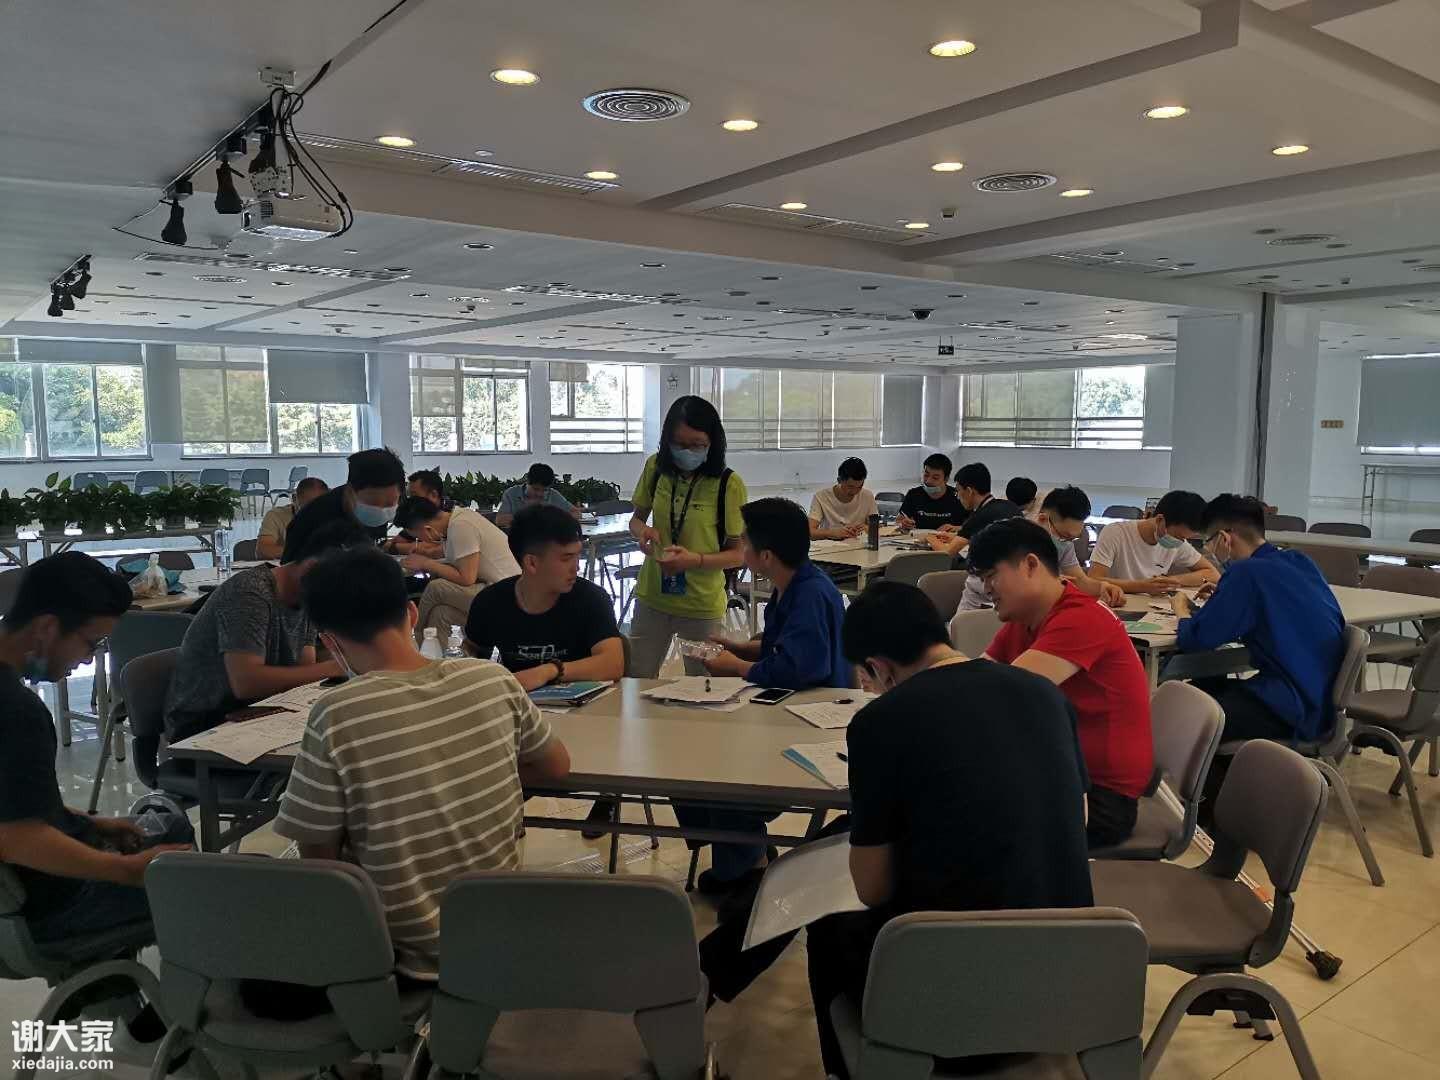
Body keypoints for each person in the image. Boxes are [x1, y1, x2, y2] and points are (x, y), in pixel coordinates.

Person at [697, 581, 1093, 1077]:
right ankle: (712, 968)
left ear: (879, 667)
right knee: (837, 838)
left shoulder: (883, 721)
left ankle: (848, 1065)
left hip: (945, 1000)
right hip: (1066, 979)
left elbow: (872, 888)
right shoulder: (1043, 693)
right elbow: (1077, 820)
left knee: (827, 907)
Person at [275, 547, 571, 985]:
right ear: (412, 614)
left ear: (331, 642)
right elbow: (557, 768)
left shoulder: (337, 714)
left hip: (397, 957)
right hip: (494, 935)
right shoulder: (492, 680)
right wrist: (466, 770)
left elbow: (320, 860)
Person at [0, 553, 193, 1040]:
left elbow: (13, 800)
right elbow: (18, 838)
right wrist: (125, 871)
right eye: (89, 643)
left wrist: (89, 824)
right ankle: (208, 1022)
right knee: (197, 874)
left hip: (18, 900)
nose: (88, 660)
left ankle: (111, 992)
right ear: (47, 628)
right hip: (48, 908)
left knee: (156, 823)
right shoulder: (17, 713)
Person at [684, 498, 850, 893]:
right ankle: (744, 856)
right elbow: (783, 646)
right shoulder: (793, 583)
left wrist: (736, 667)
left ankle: (747, 869)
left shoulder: (809, 594)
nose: (740, 547)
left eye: (745, 541)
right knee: (698, 763)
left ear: (766, 555)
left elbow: (799, 669)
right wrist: (741, 648)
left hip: (811, 722)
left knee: (721, 780)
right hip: (791, 709)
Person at [970, 518, 1154, 848]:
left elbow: (998, 697)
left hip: (1100, 798)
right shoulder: (1026, 618)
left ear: (1030, 565)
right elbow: (976, 681)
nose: (986, 589)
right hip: (1056, 772)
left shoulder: (1081, 619)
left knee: (957, 820)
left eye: (991, 576)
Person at [1171, 494, 1345, 806]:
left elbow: (1196, 640)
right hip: (1317, 698)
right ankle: (1223, 792)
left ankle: (1210, 811)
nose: (1208, 551)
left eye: (1207, 542)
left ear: (1224, 538)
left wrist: (1182, 610)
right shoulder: (1299, 561)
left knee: (1185, 713)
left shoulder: (1245, 574)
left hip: (1289, 705)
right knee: (1201, 688)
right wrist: (1227, 595)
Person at [164, 520, 369, 742]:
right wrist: (337, 666)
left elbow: (305, 668)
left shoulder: (307, 596)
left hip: (263, 711)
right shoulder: (249, 594)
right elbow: (246, 683)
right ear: (312, 568)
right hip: (205, 727)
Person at [626, 396, 748, 678]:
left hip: (701, 604)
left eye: (697, 445)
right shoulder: (655, 468)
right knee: (636, 680)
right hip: (652, 596)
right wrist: (644, 532)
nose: (687, 451)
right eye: (679, 443)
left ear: (713, 443)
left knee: (704, 687)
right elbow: (636, 520)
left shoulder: (728, 484)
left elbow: (738, 554)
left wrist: (695, 560)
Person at [464, 505, 624, 690]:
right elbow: (471, 655)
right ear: (531, 563)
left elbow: (613, 664)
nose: (576, 567)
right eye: (566, 558)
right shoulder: (490, 603)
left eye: (577, 555)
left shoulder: (591, 598)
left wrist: (549, 671)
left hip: (587, 702)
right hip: (519, 701)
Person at [954, 484, 1125, 612]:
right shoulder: (1006, 536)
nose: (1066, 542)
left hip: (1028, 618)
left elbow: (1079, 581)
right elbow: (987, 584)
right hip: (982, 615)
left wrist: (1102, 587)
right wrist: (1048, 583)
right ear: (1043, 519)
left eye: (1072, 538)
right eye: (1064, 535)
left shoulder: (1064, 546)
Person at [393, 494, 521, 638]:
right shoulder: (459, 519)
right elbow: (449, 557)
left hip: (508, 598)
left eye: (418, 537)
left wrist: (426, 563)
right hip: (502, 593)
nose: (420, 541)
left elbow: (466, 578)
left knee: (436, 587)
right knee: (440, 614)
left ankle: (412, 636)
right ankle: (430, 650)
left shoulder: (461, 526)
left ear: (427, 529)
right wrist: (426, 560)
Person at [281, 447, 406, 563]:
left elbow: (375, 545)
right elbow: (291, 571)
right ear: (350, 490)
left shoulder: (375, 513)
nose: (381, 510)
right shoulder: (315, 518)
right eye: (373, 503)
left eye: (389, 503)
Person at [1088, 489, 1219, 594]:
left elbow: (1213, 574)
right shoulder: (1116, 533)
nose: (1181, 542)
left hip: (1151, 607)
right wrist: (1141, 586)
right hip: (1118, 604)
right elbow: (1093, 579)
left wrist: (1173, 581)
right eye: (1178, 536)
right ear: (1160, 519)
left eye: (1184, 538)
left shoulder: (1178, 542)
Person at [927, 462, 1021, 557]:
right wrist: (954, 537)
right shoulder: (1009, 505)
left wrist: (929, 537)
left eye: (958, 491)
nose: (958, 497)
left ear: (969, 491)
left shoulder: (978, 517)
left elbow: (946, 554)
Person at [255, 477, 329, 560]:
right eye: (307, 508)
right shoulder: (276, 516)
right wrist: (306, 552)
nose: (313, 513)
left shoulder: (334, 515)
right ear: (294, 499)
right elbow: (262, 551)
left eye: (319, 507)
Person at [808, 457, 878, 540]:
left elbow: (877, 527)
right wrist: (831, 533)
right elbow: (809, 532)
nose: (855, 491)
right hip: (830, 545)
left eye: (860, 487)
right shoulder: (821, 497)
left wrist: (868, 528)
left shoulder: (867, 496)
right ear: (839, 480)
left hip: (858, 544)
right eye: (850, 487)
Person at [895, 453, 967, 532]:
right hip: (919, 538)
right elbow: (899, 520)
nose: (928, 481)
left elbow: (973, 526)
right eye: (926, 475)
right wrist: (903, 523)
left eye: (935, 478)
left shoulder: (959, 496)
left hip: (949, 538)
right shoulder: (913, 494)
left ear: (946, 479)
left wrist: (955, 528)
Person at [497, 463, 580, 528]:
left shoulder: (552, 494)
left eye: (544, 490)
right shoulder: (511, 493)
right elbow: (500, 520)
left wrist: (555, 518)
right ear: (527, 482)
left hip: (545, 540)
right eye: (536, 489)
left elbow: (576, 513)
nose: (540, 493)